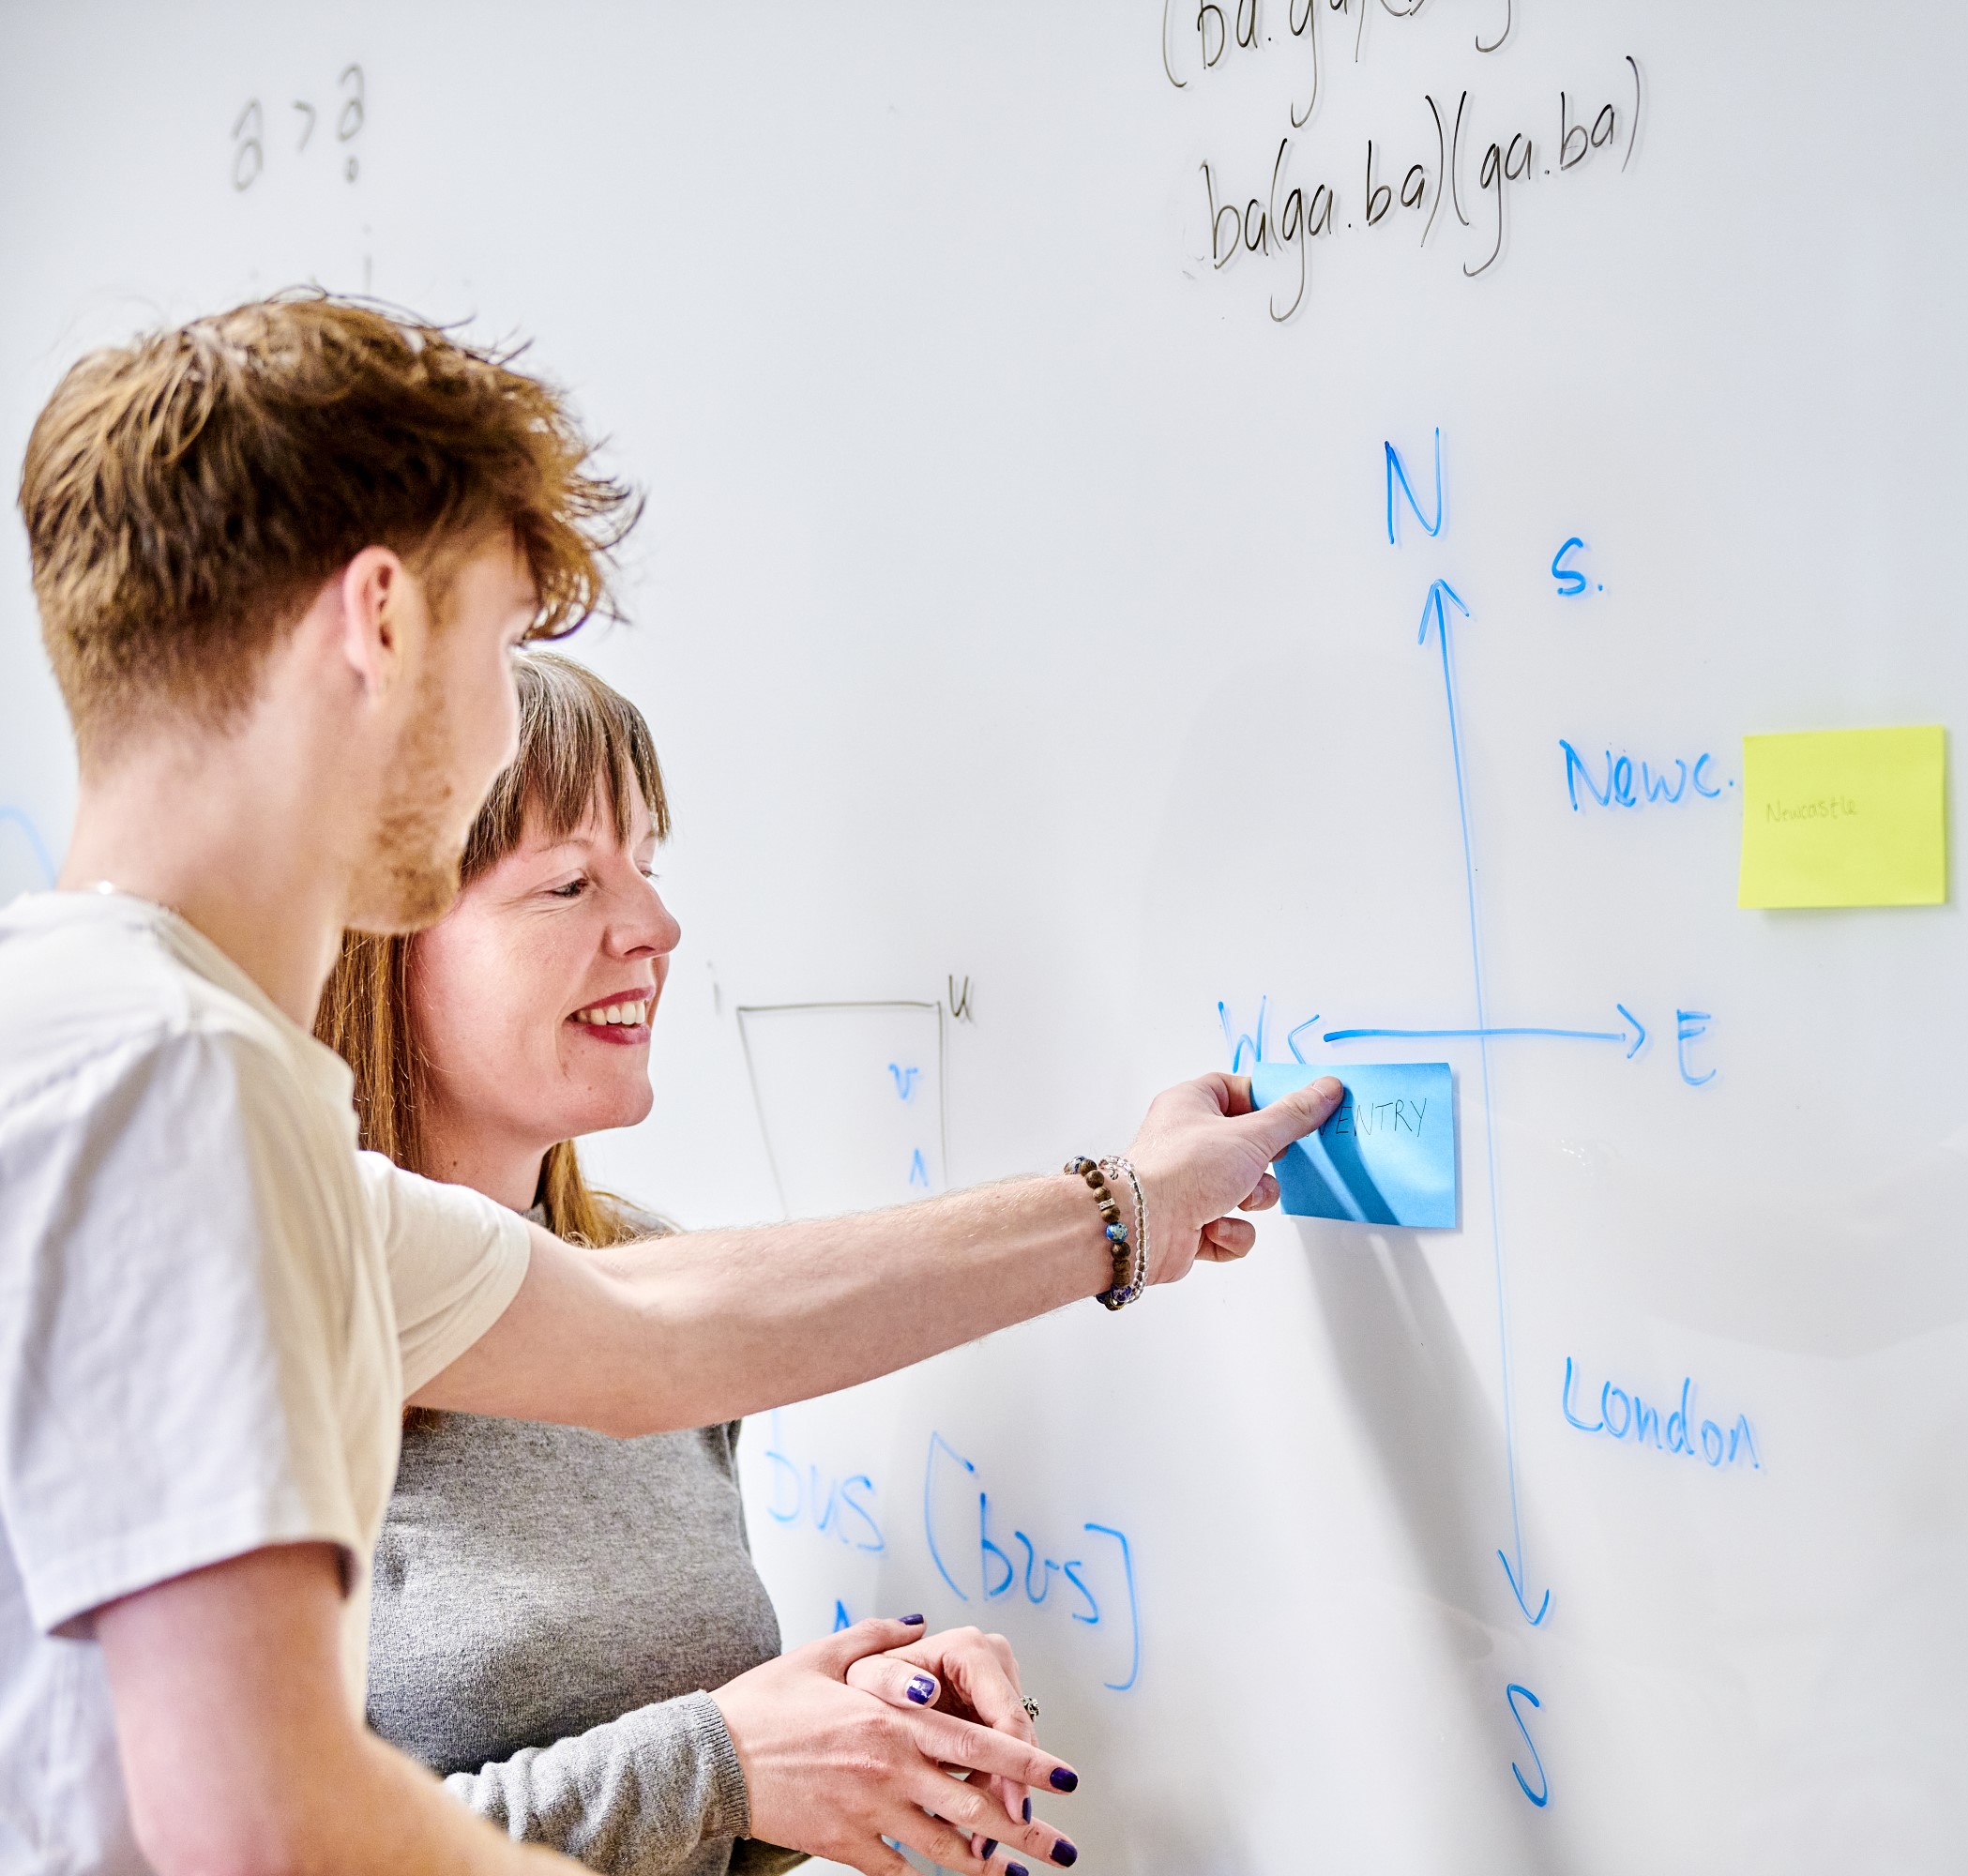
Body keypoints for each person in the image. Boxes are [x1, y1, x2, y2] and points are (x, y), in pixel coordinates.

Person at [0, 294, 1343, 1875]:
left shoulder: (109, 1049)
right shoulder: (177, 1084)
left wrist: (1134, 1209)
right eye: (506, 644)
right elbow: (266, 1831)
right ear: (380, 623)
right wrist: (716, 1770)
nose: (507, 711)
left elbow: (652, 1332)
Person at [318, 650, 1056, 1876]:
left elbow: (696, 1815)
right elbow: (300, 1848)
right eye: (569, 883)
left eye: (648, 869)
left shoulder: (653, 1274)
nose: (656, 930)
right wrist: (724, 1756)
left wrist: (851, 1730)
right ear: (386, 936)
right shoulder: (287, 1321)